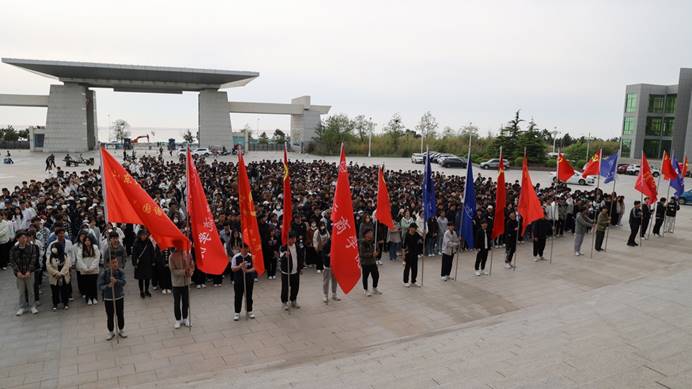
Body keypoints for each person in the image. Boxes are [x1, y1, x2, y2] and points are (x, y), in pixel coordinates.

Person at [9, 230, 39, 316]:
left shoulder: (32, 247)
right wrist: (17, 272)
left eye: (25, 237)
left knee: (31, 290)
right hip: (19, 274)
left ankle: (32, 306)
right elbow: (12, 261)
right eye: (22, 237)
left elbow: (33, 260)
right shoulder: (14, 249)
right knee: (21, 291)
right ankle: (21, 307)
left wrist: (29, 271)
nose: (24, 239)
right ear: (17, 239)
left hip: (29, 273)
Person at [98, 256, 127, 340]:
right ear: (108, 264)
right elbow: (100, 286)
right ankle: (111, 331)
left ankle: (121, 329)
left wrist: (116, 281)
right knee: (110, 316)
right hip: (108, 298)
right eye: (113, 262)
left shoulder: (120, 272)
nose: (115, 264)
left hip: (119, 296)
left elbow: (124, 282)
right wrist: (108, 286)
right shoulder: (104, 273)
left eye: (116, 262)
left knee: (120, 314)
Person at [169, 248, 193, 328]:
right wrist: (183, 271)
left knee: (186, 301)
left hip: (186, 282)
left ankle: (185, 318)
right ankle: (178, 319)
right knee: (177, 302)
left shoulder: (188, 254)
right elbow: (173, 270)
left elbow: (192, 265)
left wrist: (190, 272)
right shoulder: (172, 256)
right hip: (176, 283)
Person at [231, 244, 256, 321]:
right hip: (238, 280)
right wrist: (240, 266)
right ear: (240, 249)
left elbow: (255, 267)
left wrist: (247, 270)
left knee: (249, 296)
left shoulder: (251, 256)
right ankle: (237, 313)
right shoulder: (236, 257)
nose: (245, 250)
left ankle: (249, 310)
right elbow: (232, 268)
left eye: (246, 248)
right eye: (243, 248)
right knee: (238, 296)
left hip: (249, 280)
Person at [280, 231, 304, 310]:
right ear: (288, 239)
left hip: (295, 271)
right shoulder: (283, 247)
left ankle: (293, 300)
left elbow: (300, 258)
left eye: (295, 238)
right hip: (286, 272)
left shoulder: (297, 247)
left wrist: (300, 268)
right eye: (292, 239)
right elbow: (281, 259)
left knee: (295, 287)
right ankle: (285, 302)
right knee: (285, 288)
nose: (294, 240)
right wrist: (285, 256)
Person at [75, 235, 100, 305]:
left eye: (89, 240)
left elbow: (97, 258)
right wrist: (85, 268)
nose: (87, 242)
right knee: (86, 285)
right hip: (84, 271)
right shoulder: (81, 249)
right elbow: (79, 260)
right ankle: (88, 298)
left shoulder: (95, 247)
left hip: (94, 270)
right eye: (86, 240)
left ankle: (94, 297)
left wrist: (92, 267)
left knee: (93, 284)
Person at [46, 244, 71, 311]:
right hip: (54, 277)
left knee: (64, 290)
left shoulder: (64, 256)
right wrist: (56, 273)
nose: (54, 249)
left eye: (55, 247)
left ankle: (65, 303)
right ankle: (55, 304)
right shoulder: (50, 257)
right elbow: (48, 266)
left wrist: (61, 274)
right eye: (53, 248)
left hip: (63, 276)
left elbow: (66, 265)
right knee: (54, 291)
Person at [132, 230, 155, 298]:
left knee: (147, 278)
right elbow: (134, 254)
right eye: (142, 235)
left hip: (148, 263)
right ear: (139, 235)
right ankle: (141, 291)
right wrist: (135, 263)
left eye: (145, 235)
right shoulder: (136, 243)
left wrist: (153, 261)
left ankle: (147, 290)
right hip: (140, 264)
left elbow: (152, 252)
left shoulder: (149, 242)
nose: (144, 236)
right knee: (141, 278)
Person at [359, 228, 381, 296]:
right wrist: (371, 254)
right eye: (369, 233)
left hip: (373, 262)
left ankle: (374, 288)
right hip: (365, 263)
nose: (371, 234)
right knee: (365, 276)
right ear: (365, 235)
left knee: (376, 275)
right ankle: (366, 290)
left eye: (371, 233)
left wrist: (377, 252)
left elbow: (378, 249)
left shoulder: (373, 241)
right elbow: (362, 254)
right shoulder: (363, 243)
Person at [321, 233, 340, 303]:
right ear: (331, 236)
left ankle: (334, 294)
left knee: (335, 280)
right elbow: (323, 255)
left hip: (335, 265)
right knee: (326, 281)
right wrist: (328, 255)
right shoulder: (326, 244)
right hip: (327, 265)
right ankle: (325, 295)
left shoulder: (338, 243)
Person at [402, 223, 423, 287]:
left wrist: (421, 235)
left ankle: (413, 281)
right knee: (407, 268)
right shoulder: (407, 235)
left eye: (416, 228)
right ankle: (405, 281)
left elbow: (422, 240)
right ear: (411, 228)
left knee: (415, 268)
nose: (415, 229)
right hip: (408, 253)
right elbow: (403, 246)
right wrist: (403, 255)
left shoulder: (416, 234)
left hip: (415, 253)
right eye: (414, 228)